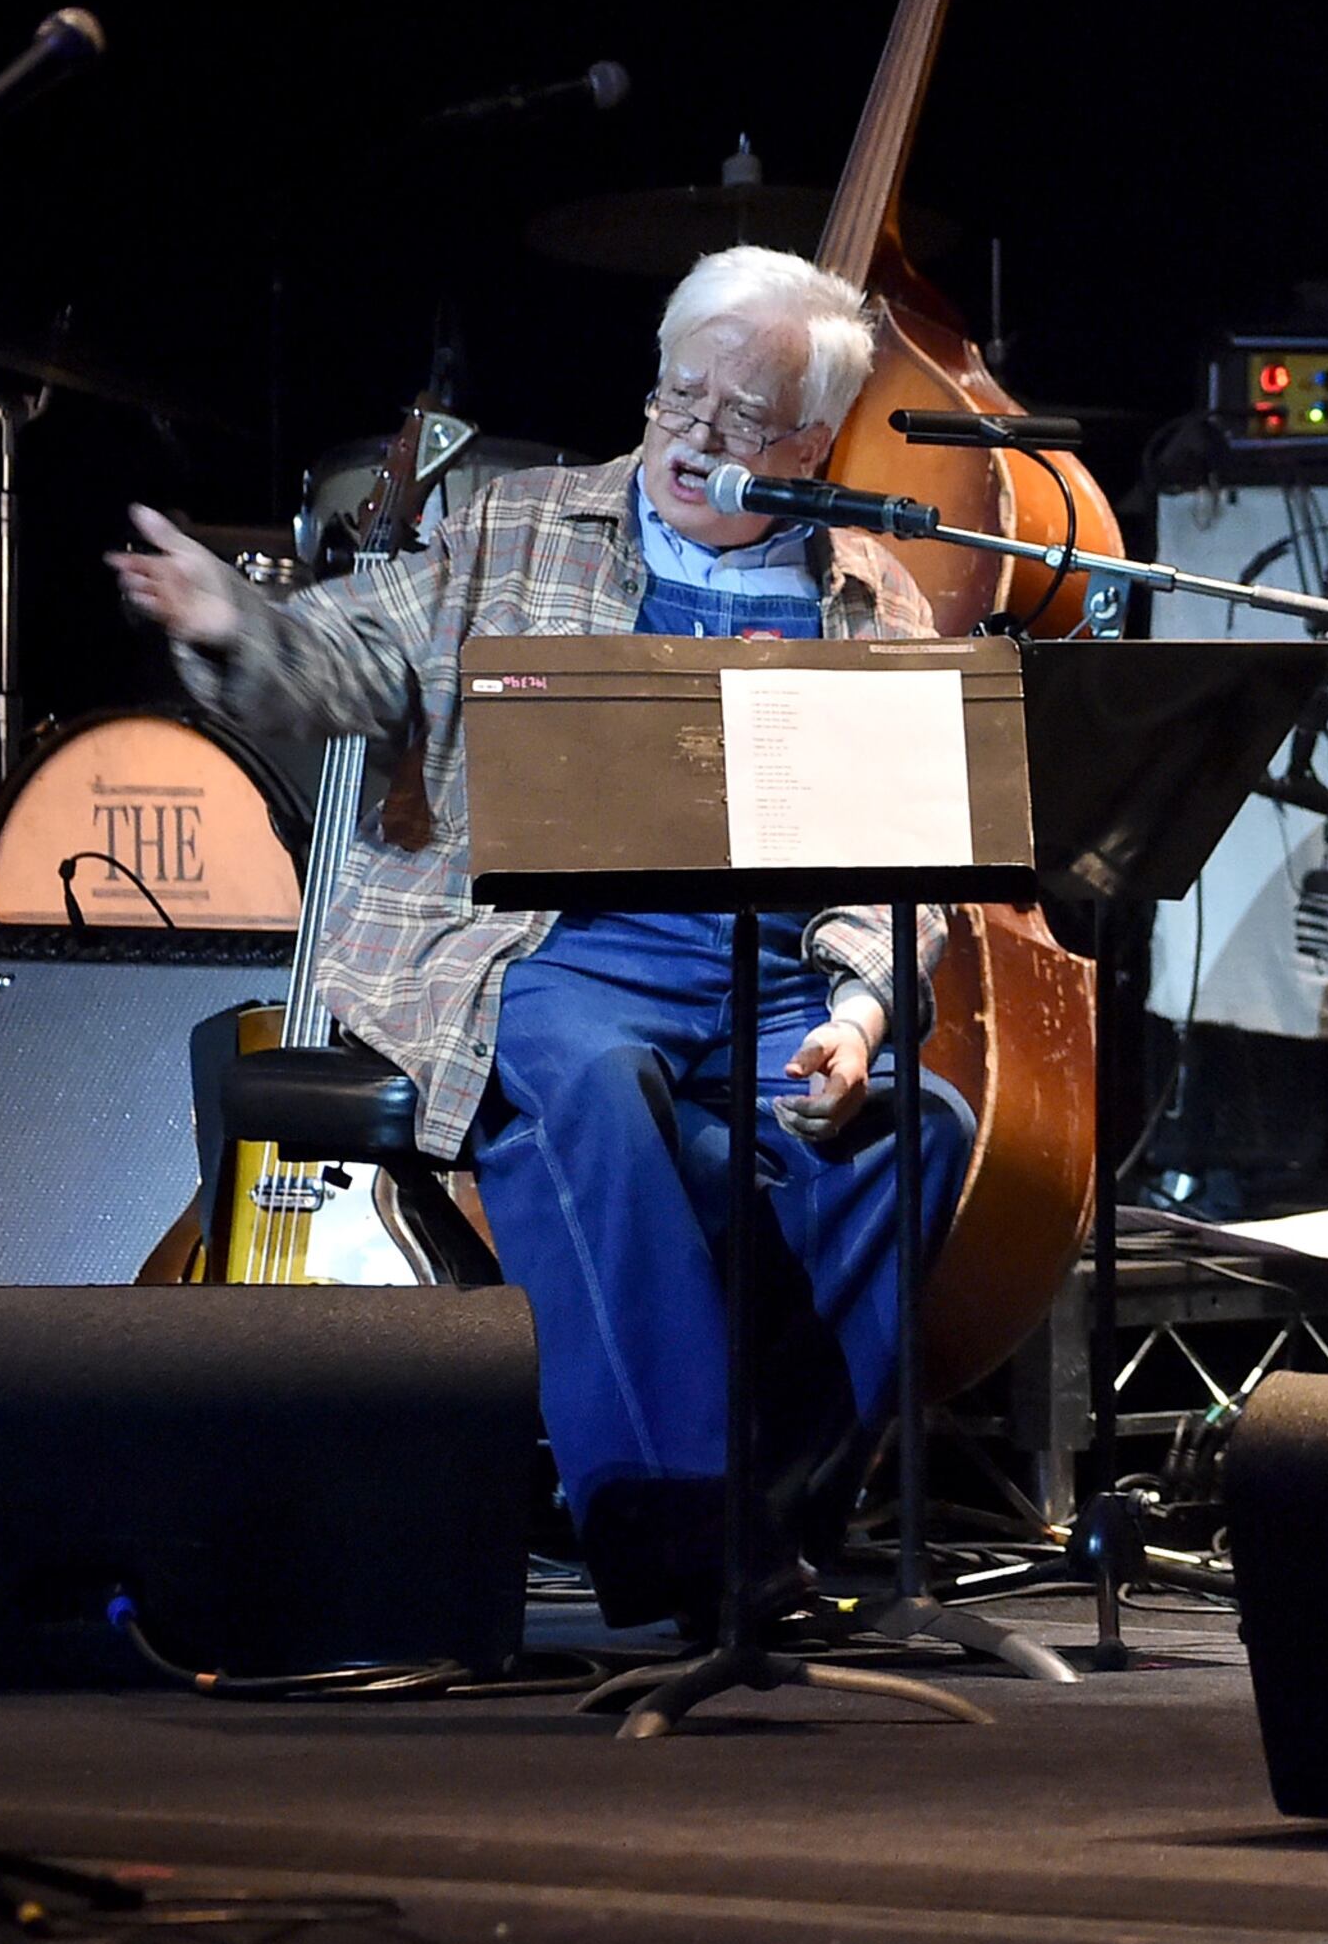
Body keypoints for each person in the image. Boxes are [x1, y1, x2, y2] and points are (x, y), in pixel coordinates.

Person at [107, 247, 968, 1633]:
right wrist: (236, 622)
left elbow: (897, 865)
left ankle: (771, 1534)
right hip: (544, 950)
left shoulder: (868, 595)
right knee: (590, 1082)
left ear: (813, 441)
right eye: (678, 393)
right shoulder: (519, 527)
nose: (694, 435)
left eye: (743, 418)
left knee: (919, 1127)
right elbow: (348, 659)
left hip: (759, 980)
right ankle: (676, 1526)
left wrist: (862, 1011)